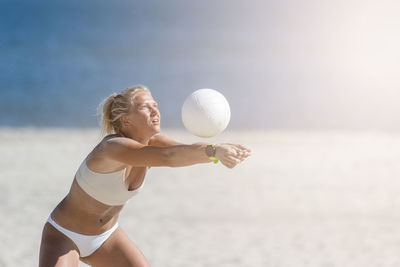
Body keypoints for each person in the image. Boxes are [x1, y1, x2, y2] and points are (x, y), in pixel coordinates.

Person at [39, 85, 251, 267]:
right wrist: (213, 152)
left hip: (106, 237)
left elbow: (186, 149)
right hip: (65, 236)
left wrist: (219, 151)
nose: (154, 111)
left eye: (155, 106)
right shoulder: (113, 148)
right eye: (145, 107)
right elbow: (169, 157)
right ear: (126, 121)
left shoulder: (152, 141)